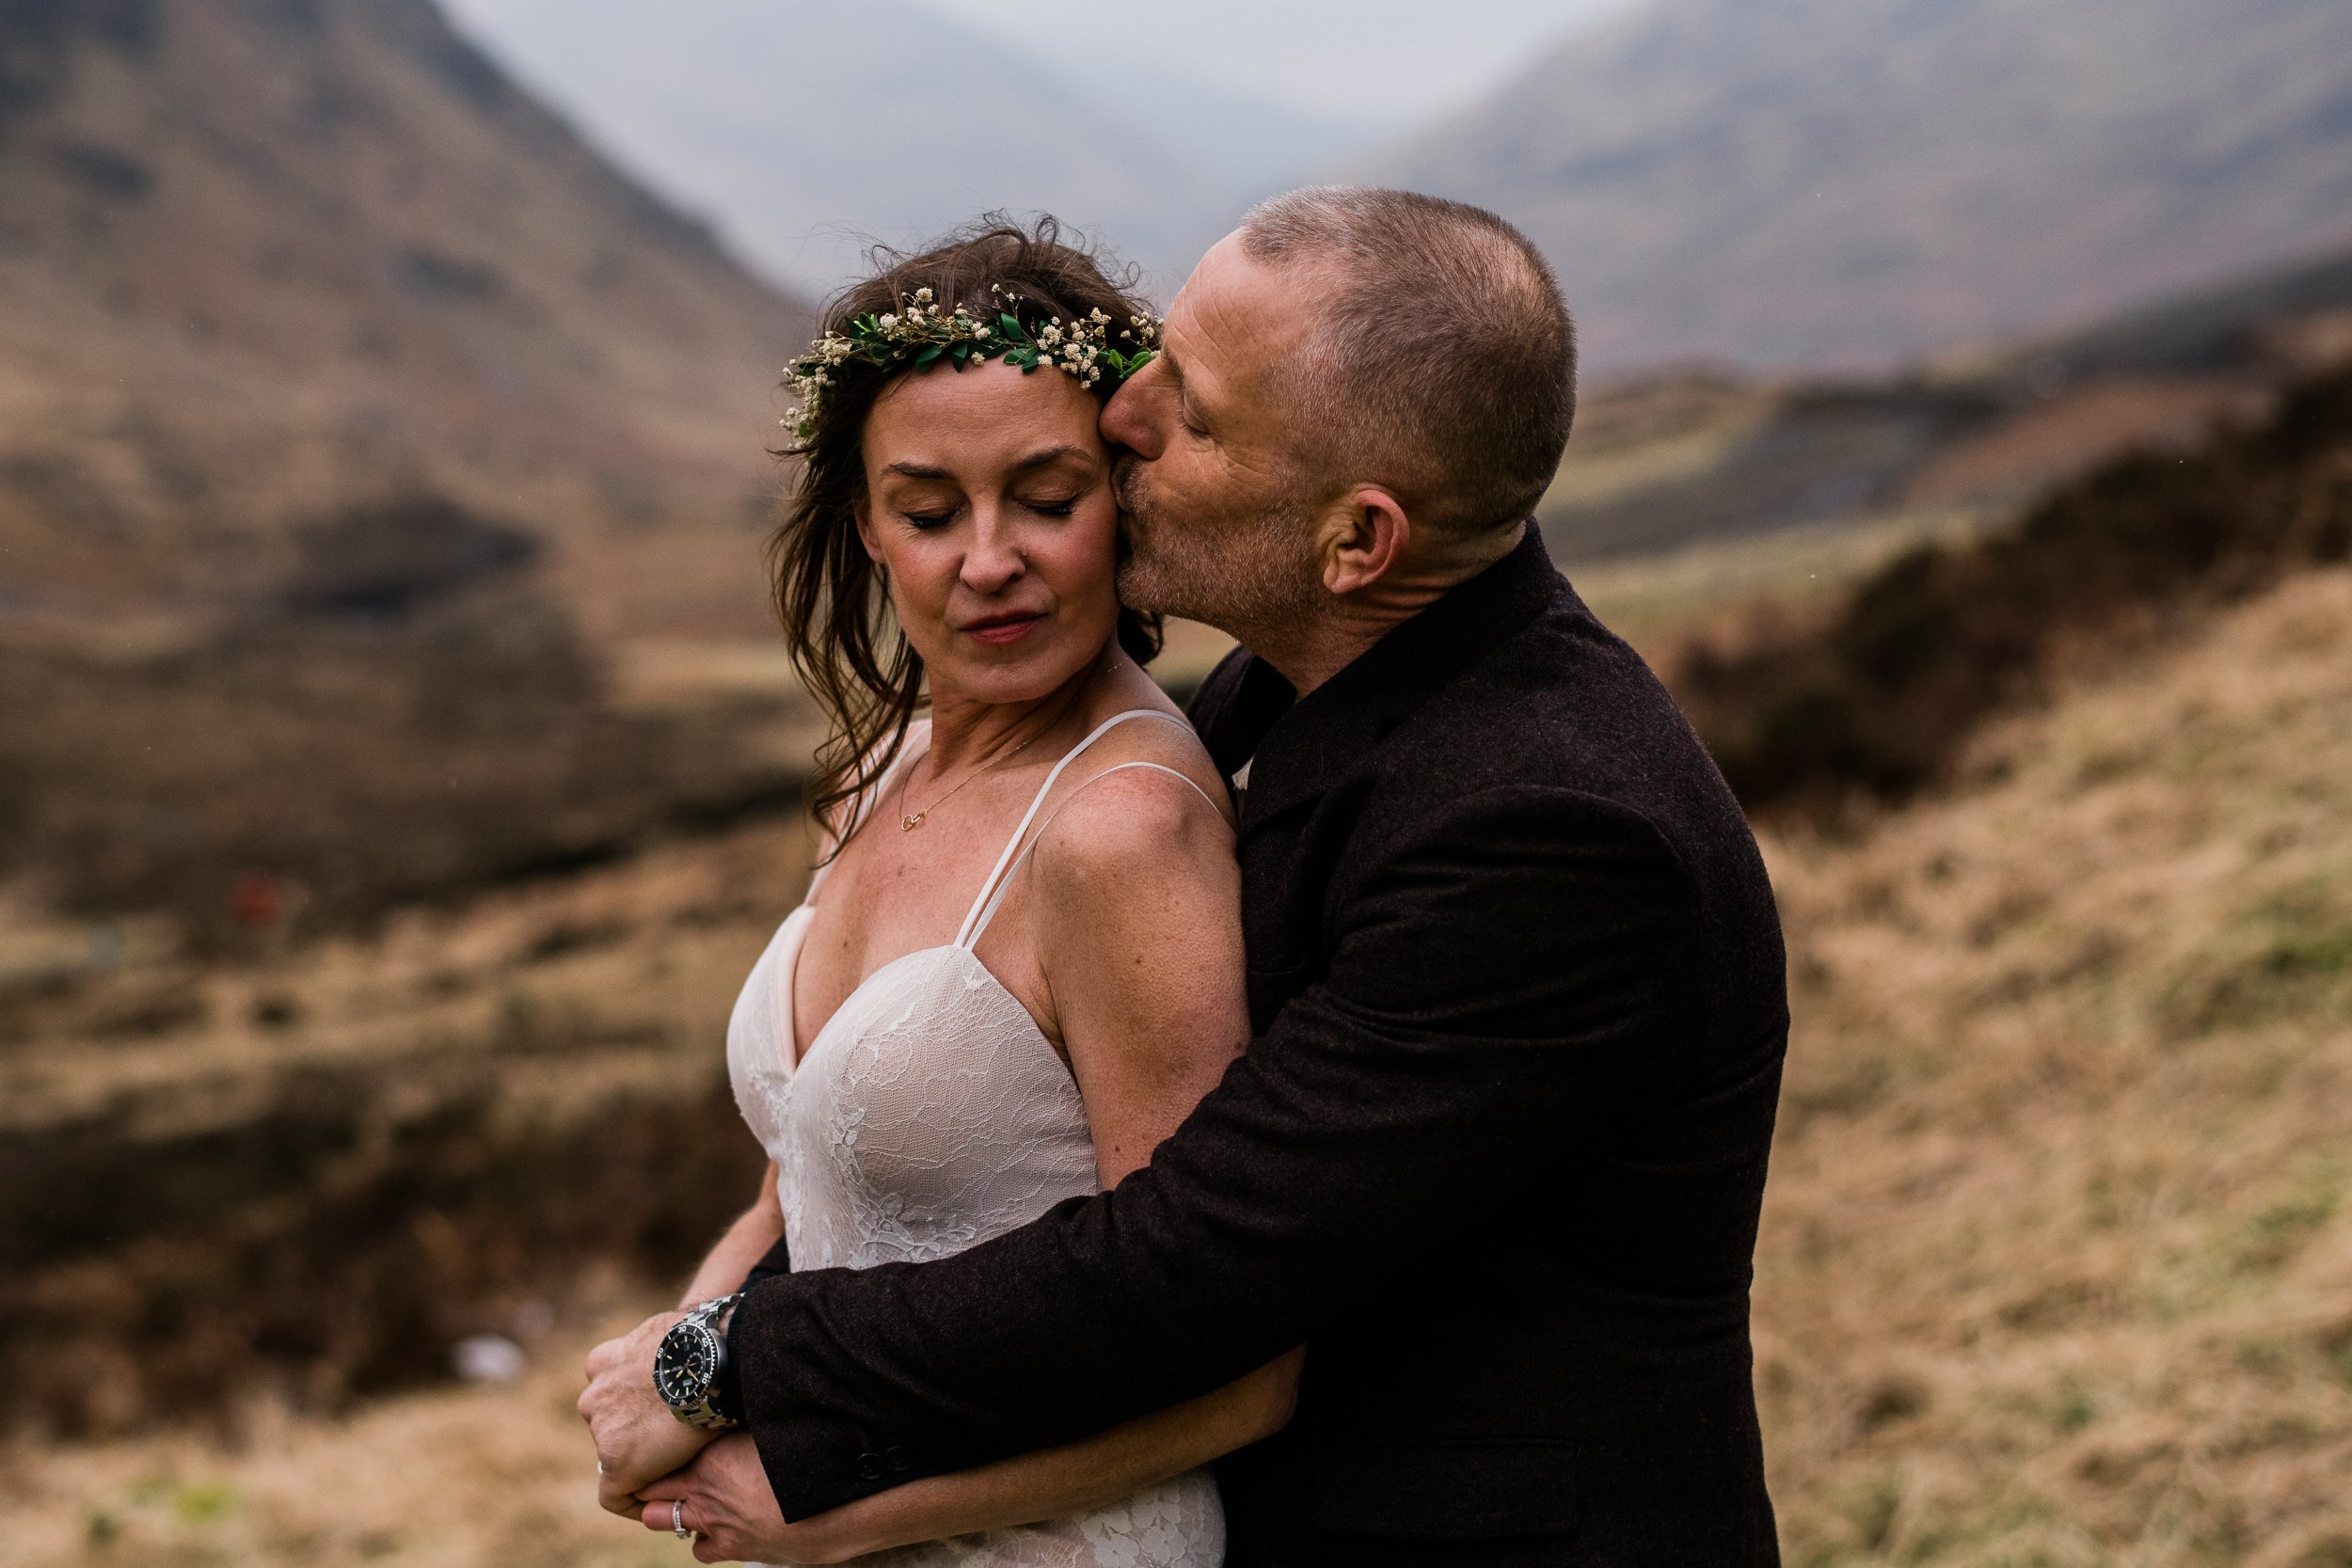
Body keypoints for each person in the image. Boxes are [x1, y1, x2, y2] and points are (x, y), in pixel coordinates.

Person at [585, 187, 1789, 1566]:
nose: (1125, 416)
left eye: (1195, 414)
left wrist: (736, 1365)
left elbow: (1189, 1263)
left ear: (1359, 542)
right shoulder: (1280, 690)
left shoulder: (1554, 832)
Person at [578, 218, 1299, 1564]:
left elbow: (1232, 1368)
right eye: (928, 510)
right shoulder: (876, 773)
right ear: (866, 527)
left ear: (1124, 501)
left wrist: (831, 1515)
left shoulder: (1122, 831)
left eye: (1047, 495)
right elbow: (802, 1181)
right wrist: (674, 1375)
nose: (986, 559)